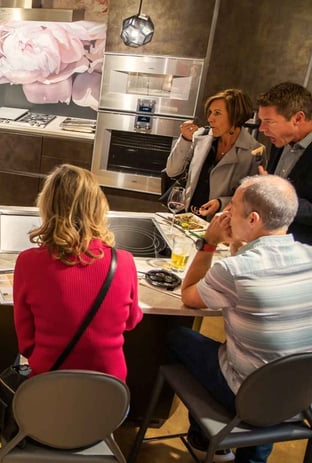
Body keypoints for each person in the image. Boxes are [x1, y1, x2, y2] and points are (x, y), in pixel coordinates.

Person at [173, 175, 312, 462]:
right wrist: (239, 244)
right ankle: (252, 456)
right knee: (261, 355)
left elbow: (189, 296)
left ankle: (205, 435)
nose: (225, 214)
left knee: (179, 337)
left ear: (253, 219)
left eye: (232, 208)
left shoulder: (235, 271)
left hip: (249, 397)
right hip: (301, 395)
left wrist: (208, 243)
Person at [13, 164, 143, 380]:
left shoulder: (27, 262)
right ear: (98, 207)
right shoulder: (124, 261)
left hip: (47, 384)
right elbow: (130, 321)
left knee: (18, 367)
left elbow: (26, 344)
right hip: (109, 387)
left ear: (47, 206)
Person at [166, 89, 263, 218]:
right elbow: (172, 171)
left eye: (217, 113)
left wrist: (221, 203)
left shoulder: (254, 151)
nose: (210, 118)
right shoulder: (201, 136)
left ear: (235, 116)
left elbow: (252, 196)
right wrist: (185, 139)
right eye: (210, 112)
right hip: (187, 217)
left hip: (221, 223)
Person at [256, 82, 312, 244]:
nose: (262, 129)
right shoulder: (279, 142)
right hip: (271, 243)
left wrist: (280, 197)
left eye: (269, 121)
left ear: (298, 118)